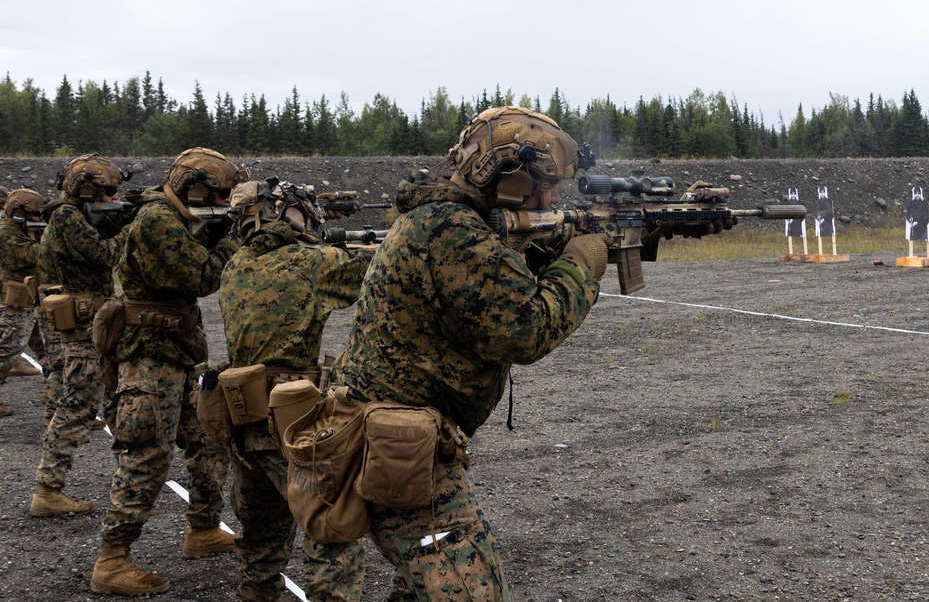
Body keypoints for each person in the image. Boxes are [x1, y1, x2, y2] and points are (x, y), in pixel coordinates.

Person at [314, 107, 611, 600]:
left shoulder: (447, 219)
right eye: (547, 186)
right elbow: (526, 330)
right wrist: (580, 265)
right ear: (510, 183)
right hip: (399, 447)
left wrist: (552, 245)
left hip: (396, 435)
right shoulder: (454, 232)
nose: (556, 199)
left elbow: (501, 271)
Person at [90, 147, 244, 596]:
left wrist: (215, 230)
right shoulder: (158, 220)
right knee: (146, 455)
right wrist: (232, 238)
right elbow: (202, 277)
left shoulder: (174, 216)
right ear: (190, 187)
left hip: (175, 351)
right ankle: (112, 559)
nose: (221, 202)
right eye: (217, 195)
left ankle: (204, 528)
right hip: (149, 356)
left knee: (207, 439)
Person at [218, 178, 373, 601]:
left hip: (243, 419)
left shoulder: (235, 265)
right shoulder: (311, 262)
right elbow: (380, 269)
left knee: (262, 531)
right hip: (291, 420)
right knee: (331, 527)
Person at [29, 155, 129, 516]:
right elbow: (102, 255)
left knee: (116, 400)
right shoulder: (66, 217)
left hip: (95, 323)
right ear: (85, 190)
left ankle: (132, 474)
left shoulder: (71, 215)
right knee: (78, 404)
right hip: (84, 327)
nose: (112, 197)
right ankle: (48, 489)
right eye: (108, 191)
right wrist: (130, 231)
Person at [0, 188, 47, 417]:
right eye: (35, 215)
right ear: (19, 213)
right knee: (6, 353)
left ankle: (59, 400)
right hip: (16, 304)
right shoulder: (7, 234)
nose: (39, 219)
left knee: (50, 353)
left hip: (33, 302)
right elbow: (35, 256)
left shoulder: (22, 231)